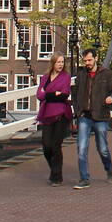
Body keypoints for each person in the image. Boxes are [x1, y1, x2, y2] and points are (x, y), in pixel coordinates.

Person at [72, 48, 112, 189]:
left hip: (100, 115)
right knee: (81, 147)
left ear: (96, 58)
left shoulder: (106, 74)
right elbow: (75, 93)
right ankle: (84, 178)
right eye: (85, 60)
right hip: (84, 116)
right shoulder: (81, 75)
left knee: (102, 148)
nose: (87, 63)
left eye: (89, 60)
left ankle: (109, 169)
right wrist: (77, 110)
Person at [36, 53, 73, 186]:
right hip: (46, 114)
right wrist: (52, 94)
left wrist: (47, 95)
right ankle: (54, 169)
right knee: (46, 145)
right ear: (53, 63)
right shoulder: (45, 78)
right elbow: (39, 95)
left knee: (56, 145)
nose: (61, 64)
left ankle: (57, 177)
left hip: (60, 114)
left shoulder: (66, 77)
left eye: (62, 62)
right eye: (58, 62)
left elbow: (64, 94)